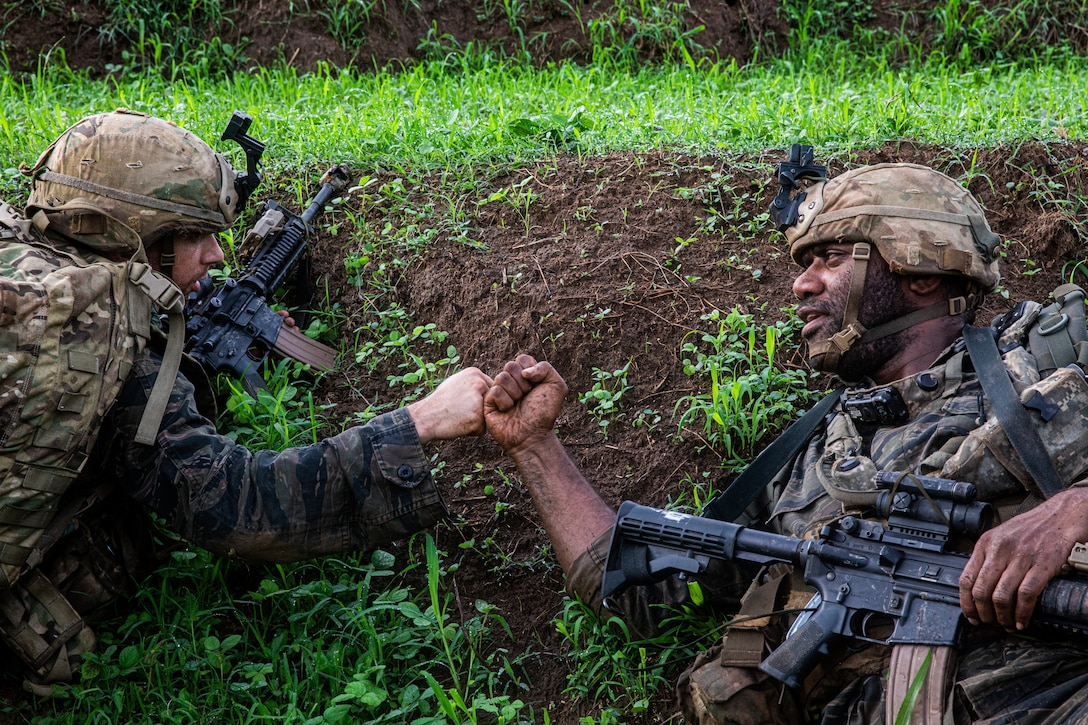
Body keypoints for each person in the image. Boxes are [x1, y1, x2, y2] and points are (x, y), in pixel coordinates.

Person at [484, 158, 1088, 723]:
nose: (801, 285)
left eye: (829, 257)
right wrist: (534, 445)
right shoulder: (808, 458)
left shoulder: (1047, 356)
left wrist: (1069, 512)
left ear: (921, 268)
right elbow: (637, 593)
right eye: (804, 264)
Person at [0, 109, 493, 691]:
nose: (217, 256)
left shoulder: (25, 264)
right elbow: (238, 505)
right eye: (194, 235)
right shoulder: (97, 345)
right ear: (137, 237)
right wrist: (421, 420)